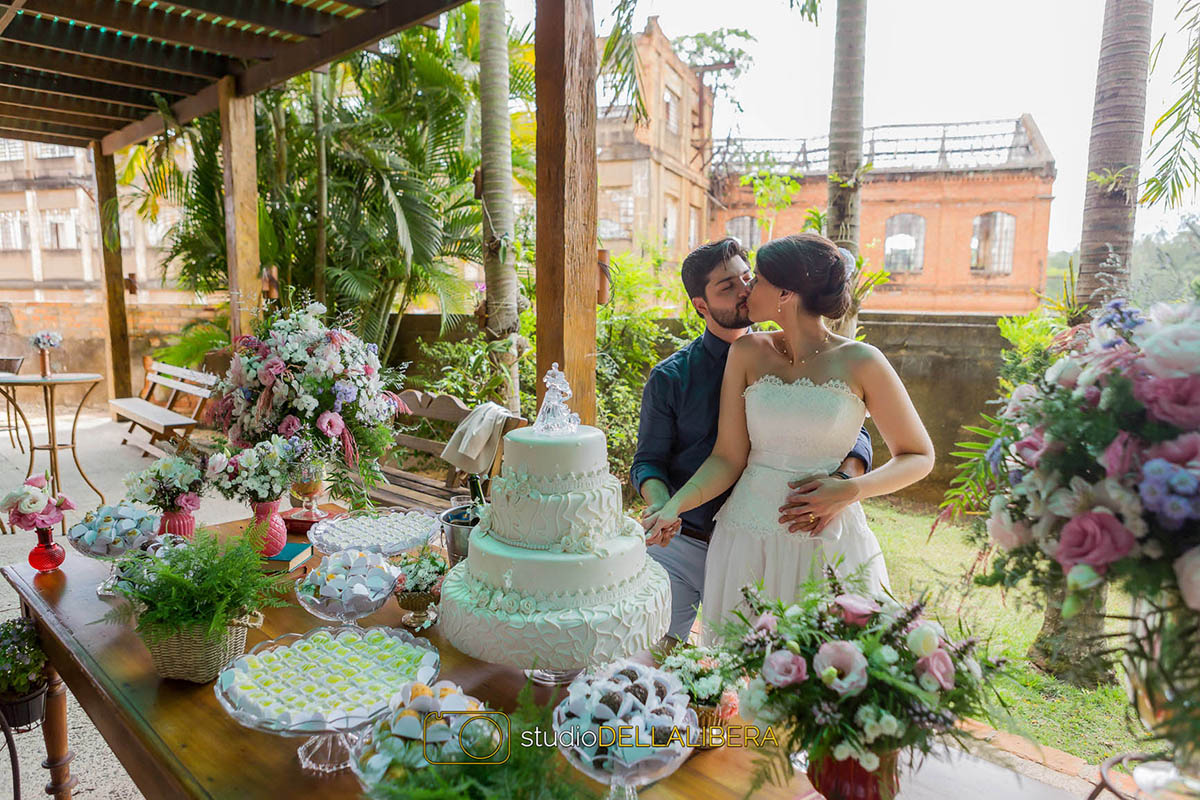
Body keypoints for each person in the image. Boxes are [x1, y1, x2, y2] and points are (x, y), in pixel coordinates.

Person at [641, 233, 935, 642]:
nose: (747, 290)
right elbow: (728, 457)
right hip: (744, 537)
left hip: (824, 537)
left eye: (755, 279)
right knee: (742, 665)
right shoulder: (747, 354)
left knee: (827, 665)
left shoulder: (863, 361)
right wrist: (673, 506)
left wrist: (849, 490)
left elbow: (918, 455)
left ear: (786, 293)